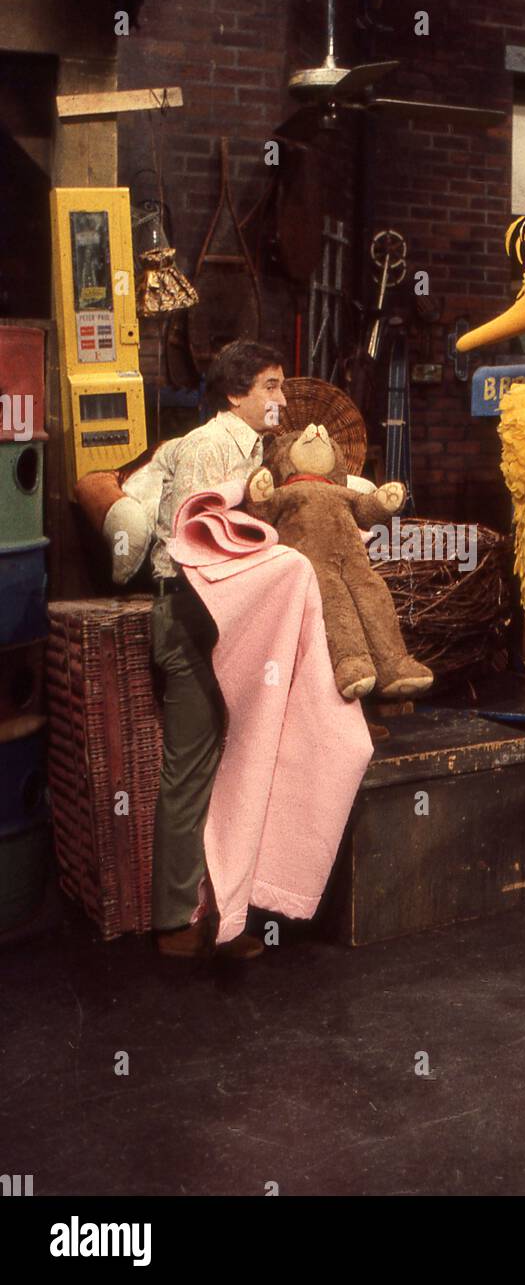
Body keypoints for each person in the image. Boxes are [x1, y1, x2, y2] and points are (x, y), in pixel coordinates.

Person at [150, 339, 286, 959]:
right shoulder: (210, 447)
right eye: (271, 386)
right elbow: (196, 548)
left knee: (239, 770)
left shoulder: (257, 450)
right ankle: (177, 920)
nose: (282, 399)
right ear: (237, 394)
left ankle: (227, 914)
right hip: (194, 616)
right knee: (192, 769)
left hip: (235, 615)